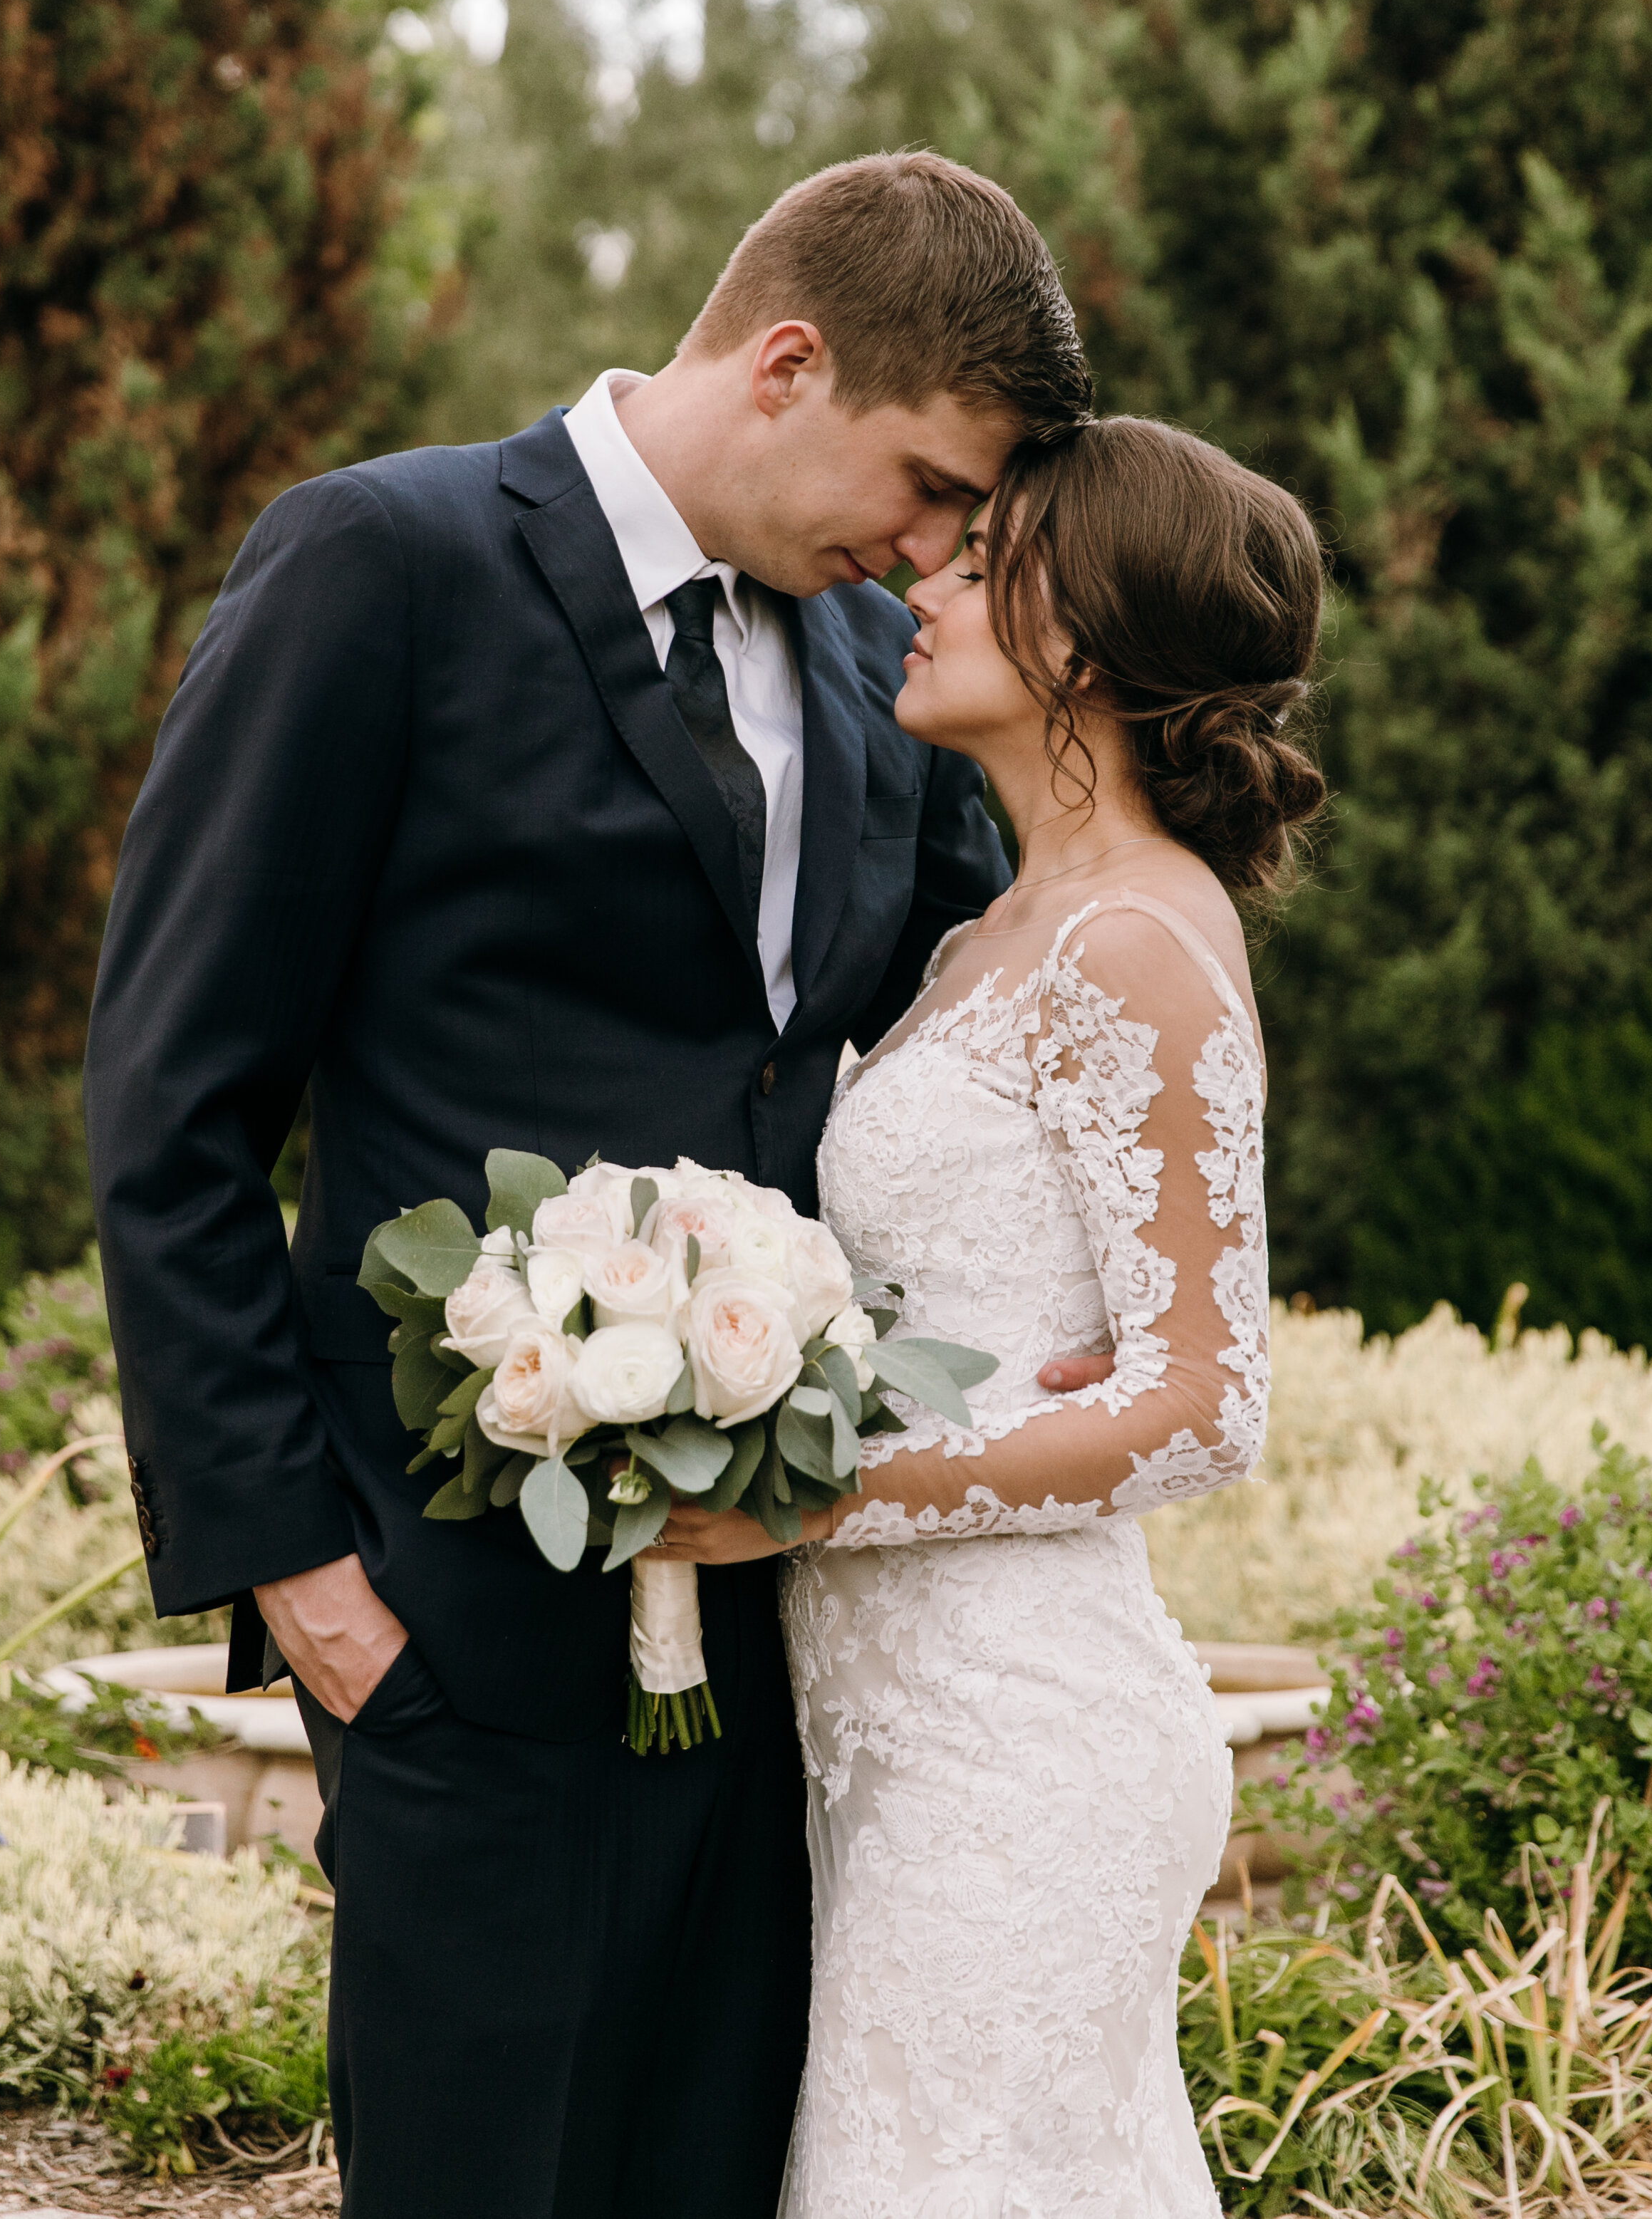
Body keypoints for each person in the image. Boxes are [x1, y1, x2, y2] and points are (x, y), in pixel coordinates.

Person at [83, 152, 1106, 2219]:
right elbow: (173, 1094)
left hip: (781, 1635)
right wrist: (299, 1570)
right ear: (789, 359)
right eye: (918, 484)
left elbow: (955, 1070)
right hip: (452, 1616)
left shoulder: (866, 675)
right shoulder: (383, 561)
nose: (924, 551)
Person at [654, 414, 1328, 2217]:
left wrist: (808, 1495)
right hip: (895, 1728)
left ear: (1079, 643)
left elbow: (1201, 1402)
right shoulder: (990, 933)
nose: (922, 586)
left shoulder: (1131, 944)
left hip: (1024, 1741)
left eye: (977, 561)